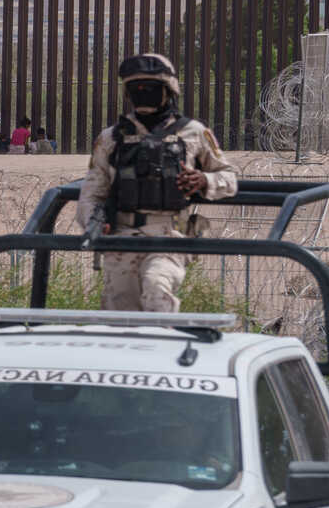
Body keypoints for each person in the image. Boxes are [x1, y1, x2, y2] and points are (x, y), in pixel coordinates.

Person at [75, 53, 237, 313]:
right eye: (136, 88)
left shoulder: (194, 133)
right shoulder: (111, 138)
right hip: (121, 238)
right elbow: (92, 191)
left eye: (150, 88)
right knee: (118, 314)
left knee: (156, 290)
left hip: (170, 236)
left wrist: (204, 180)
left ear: (168, 90)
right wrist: (94, 222)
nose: (142, 93)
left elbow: (229, 178)